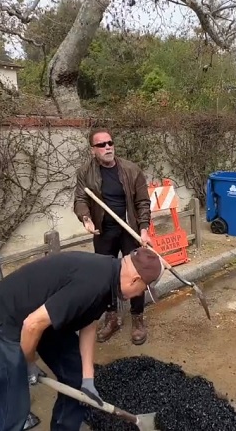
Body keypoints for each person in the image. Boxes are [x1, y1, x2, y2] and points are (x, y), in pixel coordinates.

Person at [0, 248, 164, 431]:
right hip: (9, 315)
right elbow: (32, 325)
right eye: (142, 290)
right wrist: (27, 363)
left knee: (74, 377)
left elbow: (89, 324)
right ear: (135, 280)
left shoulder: (110, 279)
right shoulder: (92, 284)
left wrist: (87, 378)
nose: (139, 295)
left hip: (43, 316)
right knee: (13, 411)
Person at [73, 127, 153, 345]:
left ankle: (137, 318)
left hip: (130, 230)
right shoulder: (85, 173)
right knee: (105, 277)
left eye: (110, 143)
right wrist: (86, 218)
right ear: (92, 150)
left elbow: (143, 202)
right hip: (104, 231)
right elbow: (80, 198)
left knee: (136, 273)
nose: (107, 147)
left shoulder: (131, 170)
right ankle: (112, 318)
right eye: (101, 145)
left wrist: (143, 228)